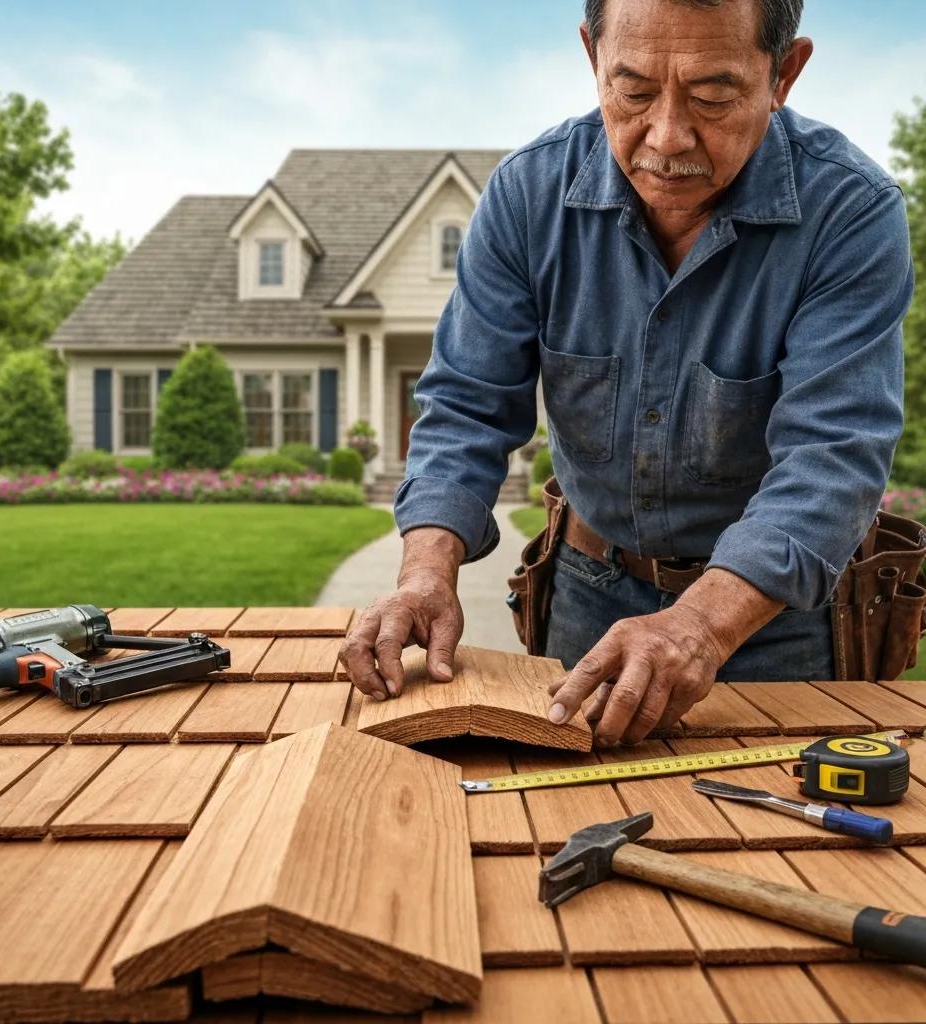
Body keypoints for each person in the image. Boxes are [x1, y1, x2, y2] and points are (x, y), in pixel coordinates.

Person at [339, 0, 914, 747]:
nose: (666, 137)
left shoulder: (852, 213)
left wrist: (701, 627)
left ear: (784, 73)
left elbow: (832, 459)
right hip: (588, 591)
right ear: (592, 57)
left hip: (774, 621)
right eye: (633, 91)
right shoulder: (526, 197)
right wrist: (426, 571)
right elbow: (467, 409)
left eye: (712, 95)